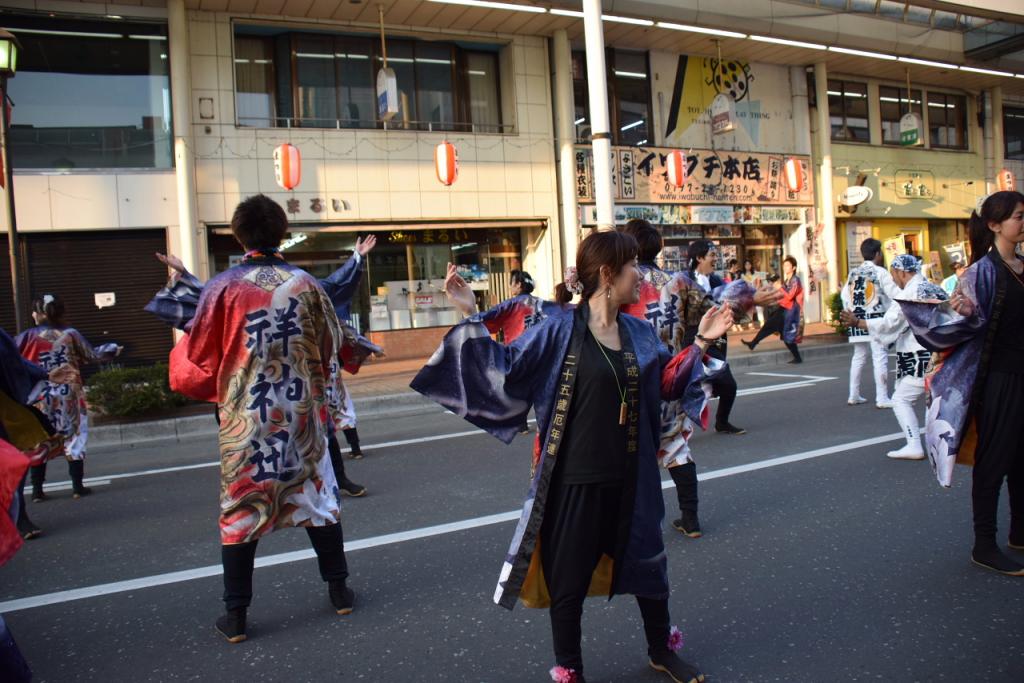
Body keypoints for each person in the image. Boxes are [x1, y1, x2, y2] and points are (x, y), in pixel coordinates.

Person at [412, 231, 732, 683]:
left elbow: (666, 385)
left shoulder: (639, 331)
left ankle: (662, 648)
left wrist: (700, 342)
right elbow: (506, 369)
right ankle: (571, 669)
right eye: (631, 268)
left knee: (648, 562)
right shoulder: (559, 328)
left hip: (631, 474)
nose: (640, 276)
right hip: (574, 477)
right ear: (606, 275)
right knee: (569, 581)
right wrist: (470, 314)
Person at [168, 194, 356, 642]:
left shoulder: (221, 288)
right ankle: (340, 592)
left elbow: (198, 354)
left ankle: (236, 617)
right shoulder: (308, 285)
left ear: (238, 234)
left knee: (241, 510)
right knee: (317, 500)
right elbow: (331, 344)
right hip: (302, 418)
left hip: (244, 422)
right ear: (282, 232)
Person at [147, 241, 376, 497]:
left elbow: (332, 288)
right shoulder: (242, 286)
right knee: (267, 447)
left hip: (283, 381)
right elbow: (207, 301)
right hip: (257, 385)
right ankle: (263, 496)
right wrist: (185, 275)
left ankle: (330, 480)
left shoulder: (294, 283)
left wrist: (356, 257)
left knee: (320, 433)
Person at [620, 220, 772, 539]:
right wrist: (751, 299)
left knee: (626, 452)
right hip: (672, 375)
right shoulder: (678, 282)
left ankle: (630, 526)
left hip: (628, 380)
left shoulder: (620, 281)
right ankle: (691, 520)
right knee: (676, 448)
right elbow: (714, 311)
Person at [900, 191, 1024, 576]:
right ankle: (983, 544)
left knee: (1023, 459)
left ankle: (1019, 532)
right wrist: (959, 310)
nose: (1023, 222)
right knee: (995, 459)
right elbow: (955, 326)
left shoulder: (1022, 264)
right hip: (999, 379)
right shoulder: (980, 273)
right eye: (1018, 216)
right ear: (994, 224)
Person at [840, 255, 948, 460]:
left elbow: (890, 323)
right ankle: (938, 444)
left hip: (918, 354)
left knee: (901, 399)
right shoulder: (932, 287)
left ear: (902, 272)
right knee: (931, 401)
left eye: (894, 273)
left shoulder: (910, 293)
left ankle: (914, 445)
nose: (893, 278)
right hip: (940, 352)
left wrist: (858, 323)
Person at [17, 295, 122, 501]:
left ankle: (37, 490)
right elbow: (92, 355)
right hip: (69, 394)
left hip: (39, 395)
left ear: (38, 314)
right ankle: (77, 486)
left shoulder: (25, 337)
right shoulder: (70, 334)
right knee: (74, 437)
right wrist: (111, 349)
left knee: (40, 440)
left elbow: (14, 362)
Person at [841, 238, 899, 408]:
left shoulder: (854, 272)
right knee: (879, 356)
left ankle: (854, 394)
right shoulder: (880, 272)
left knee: (858, 357)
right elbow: (893, 294)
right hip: (875, 319)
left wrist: (850, 310)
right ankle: (882, 398)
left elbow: (844, 295)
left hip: (856, 317)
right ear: (877, 254)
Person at [741, 256, 805, 364]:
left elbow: (789, 296)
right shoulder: (787, 280)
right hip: (783, 309)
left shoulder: (795, 280)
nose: (785, 267)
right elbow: (782, 295)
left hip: (790, 312)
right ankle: (753, 343)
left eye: (788, 265)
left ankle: (797, 357)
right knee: (769, 325)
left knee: (786, 335)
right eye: (784, 265)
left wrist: (779, 287)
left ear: (793, 268)